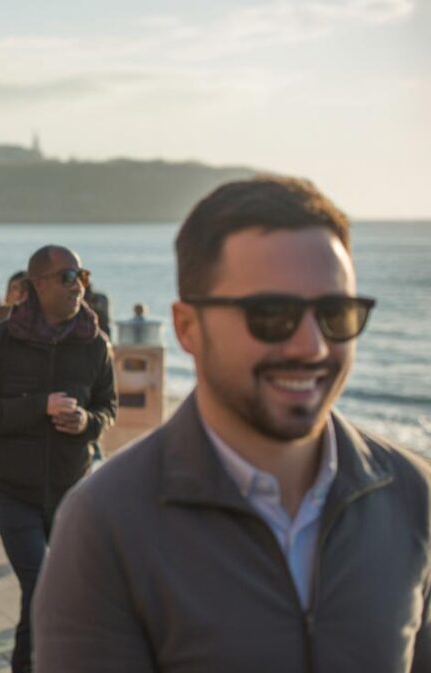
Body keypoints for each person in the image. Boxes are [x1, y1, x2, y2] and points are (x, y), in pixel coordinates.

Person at [33, 176, 431, 672]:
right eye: (271, 314)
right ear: (187, 328)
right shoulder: (105, 523)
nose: (311, 346)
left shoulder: (412, 496)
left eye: (335, 313)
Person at [0, 244, 117, 673]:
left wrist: (86, 422)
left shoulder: (96, 344)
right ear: (37, 284)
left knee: (58, 590)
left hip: (71, 491)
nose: (78, 286)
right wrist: (37, 406)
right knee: (43, 583)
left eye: (82, 276)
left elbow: (108, 407)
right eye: (68, 277)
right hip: (12, 492)